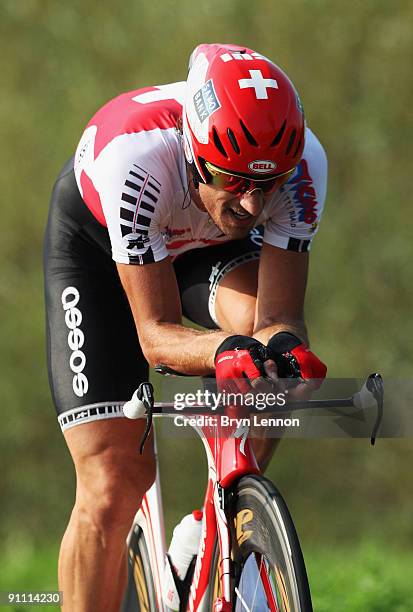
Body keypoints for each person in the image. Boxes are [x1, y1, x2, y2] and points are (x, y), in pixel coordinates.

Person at [44, 43, 327, 611]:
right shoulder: (135, 157)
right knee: (111, 483)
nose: (251, 203)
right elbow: (155, 335)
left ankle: (213, 524)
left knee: (264, 349)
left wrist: (288, 350)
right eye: (233, 178)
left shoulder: (301, 168)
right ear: (195, 153)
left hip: (203, 245)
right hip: (100, 253)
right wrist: (223, 351)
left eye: (266, 184)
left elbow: (277, 318)